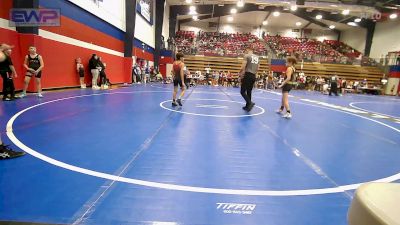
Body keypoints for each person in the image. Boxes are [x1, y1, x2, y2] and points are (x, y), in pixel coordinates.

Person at [0, 47, 25, 159]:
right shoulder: (4, 55)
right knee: (8, 84)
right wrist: (3, 49)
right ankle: (0, 151)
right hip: (5, 73)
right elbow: (1, 57)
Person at [239, 47, 259, 112]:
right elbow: (258, 68)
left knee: (242, 91)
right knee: (249, 91)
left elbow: (243, 66)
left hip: (248, 74)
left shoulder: (247, 56)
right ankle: (248, 106)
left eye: (245, 50)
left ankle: (250, 102)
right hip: (253, 75)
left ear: (248, 50)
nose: (245, 52)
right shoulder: (257, 57)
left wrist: (240, 73)